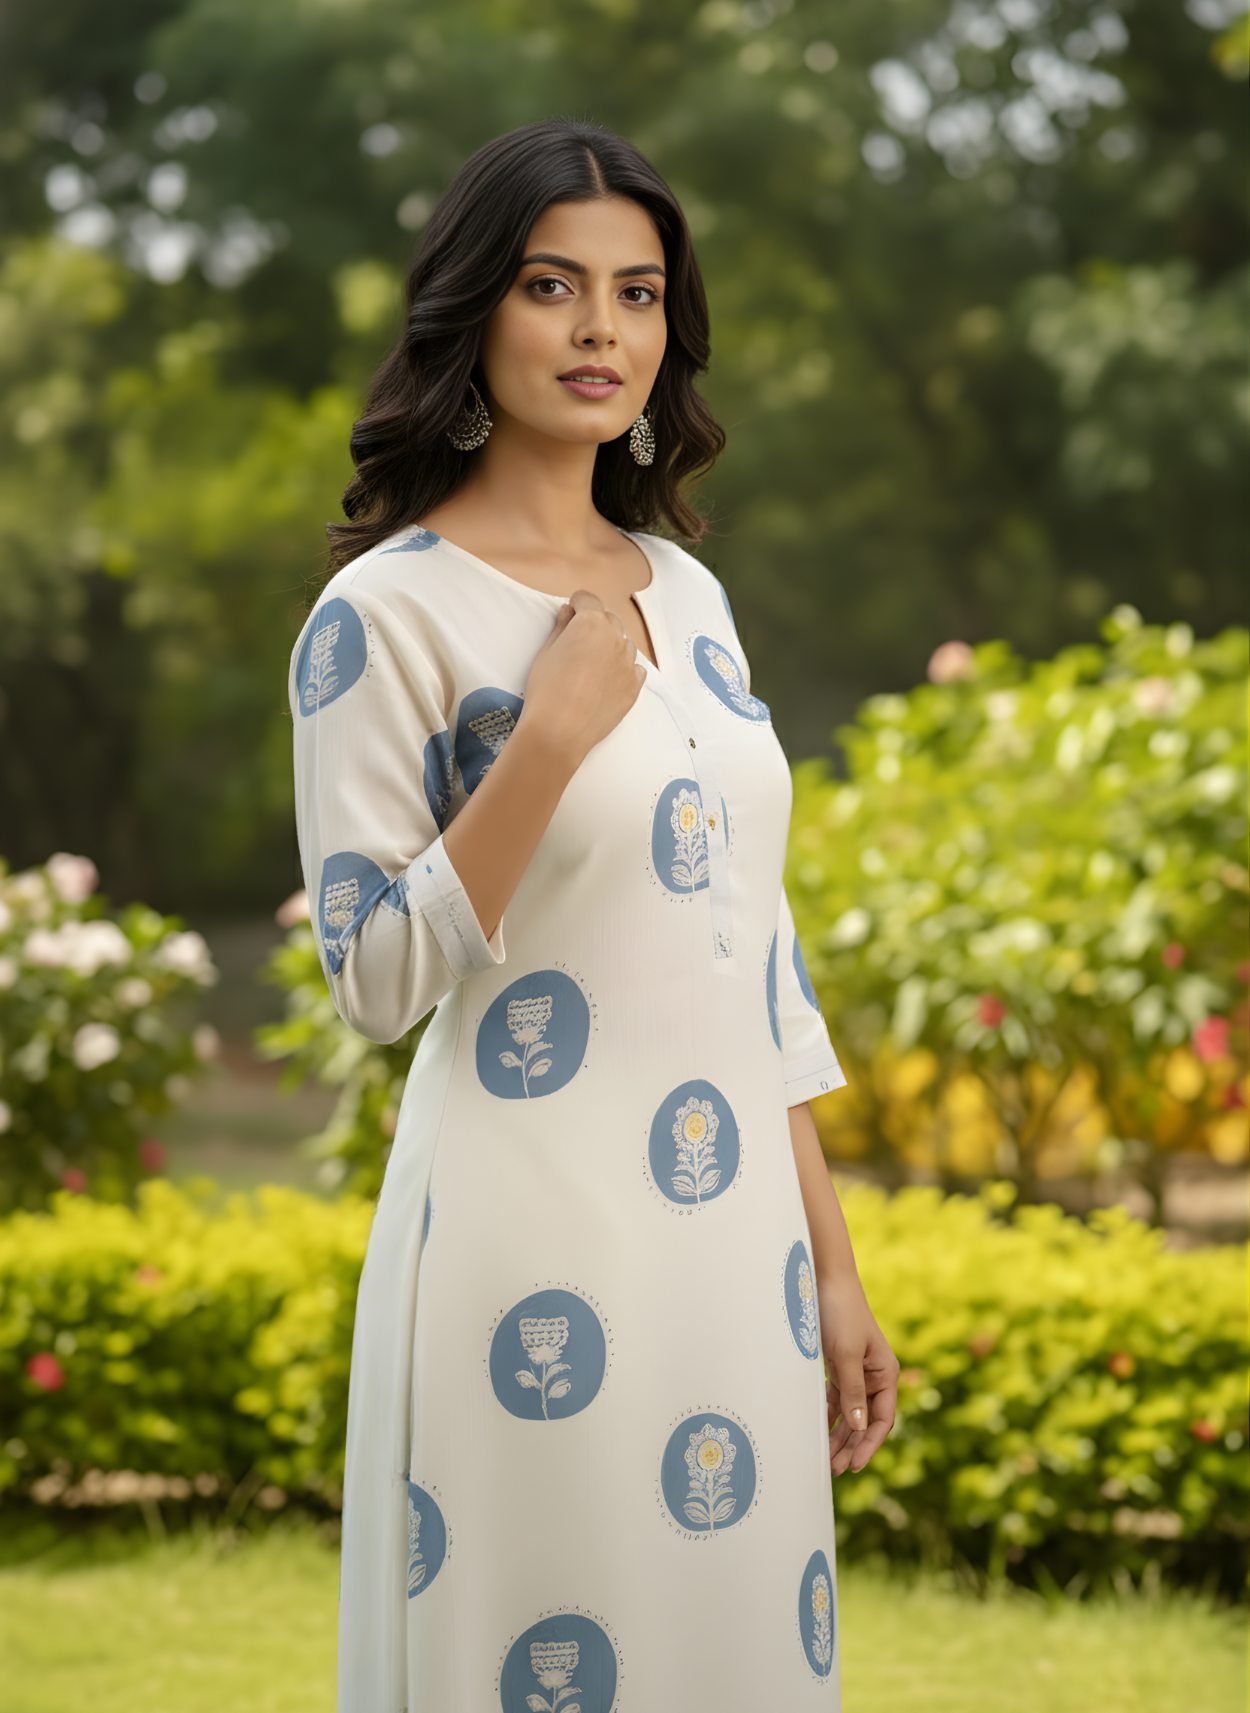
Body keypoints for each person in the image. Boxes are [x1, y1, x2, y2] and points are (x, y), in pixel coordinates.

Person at [292, 118, 898, 1713]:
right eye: (552, 286)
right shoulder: (384, 614)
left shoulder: (686, 594)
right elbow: (368, 979)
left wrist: (829, 1272)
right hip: (526, 1240)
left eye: (636, 294)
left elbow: (749, 964)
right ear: (474, 313)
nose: (598, 330)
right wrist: (545, 740)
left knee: (731, 1651)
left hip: (732, 1245)